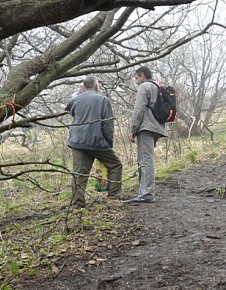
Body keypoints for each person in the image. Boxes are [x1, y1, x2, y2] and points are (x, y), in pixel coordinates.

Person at [65, 76, 123, 208]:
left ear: (83, 87)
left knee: (79, 173)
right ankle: (113, 198)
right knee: (115, 165)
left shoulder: (75, 99)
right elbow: (107, 125)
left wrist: (79, 94)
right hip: (96, 141)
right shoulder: (103, 100)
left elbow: (69, 110)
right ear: (96, 86)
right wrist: (109, 144)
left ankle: (77, 205)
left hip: (77, 141)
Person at [129, 66, 167, 203]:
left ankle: (147, 193)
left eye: (137, 77)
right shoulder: (157, 86)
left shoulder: (144, 87)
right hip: (157, 127)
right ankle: (144, 191)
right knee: (146, 158)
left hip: (146, 127)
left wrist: (132, 129)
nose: (136, 80)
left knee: (145, 160)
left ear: (143, 75)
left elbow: (138, 109)